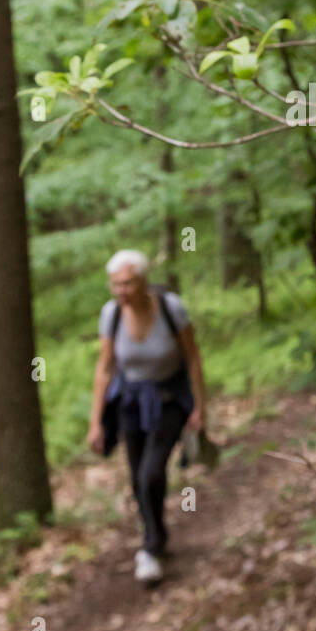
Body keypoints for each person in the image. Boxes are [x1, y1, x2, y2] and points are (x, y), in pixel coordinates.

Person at [87, 250, 207, 584]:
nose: (120, 291)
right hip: (130, 403)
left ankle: (151, 547)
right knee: (137, 476)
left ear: (142, 281)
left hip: (169, 401)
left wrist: (200, 407)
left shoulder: (171, 309)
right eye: (115, 284)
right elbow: (105, 367)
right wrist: (95, 422)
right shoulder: (111, 315)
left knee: (151, 473)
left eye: (126, 283)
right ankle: (157, 534)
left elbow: (193, 358)